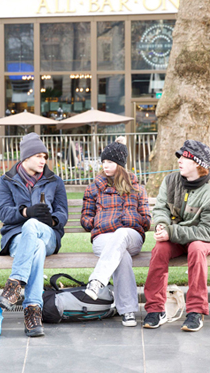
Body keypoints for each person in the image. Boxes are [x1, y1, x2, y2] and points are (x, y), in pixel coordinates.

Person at [142, 140, 210, 332]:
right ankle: (156, 309)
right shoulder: (170, 181)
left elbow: (208, 232)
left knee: (196, 249)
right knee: (160, 249)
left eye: (185, 157)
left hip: (200, 239)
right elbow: (161, 207)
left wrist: (172, 231)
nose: (179, 160)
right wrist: (162, 227)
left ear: (197, 163)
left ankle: (195, 311)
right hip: (175, 237)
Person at [0, 132, 68, 337]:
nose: (43, 160)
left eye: (45, 157)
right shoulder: (7, 181)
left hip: (48, 235)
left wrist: (52, 221)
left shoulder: (54, 181)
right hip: (18, 238)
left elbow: (63, 212)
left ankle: (14, 285)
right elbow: (4, 213)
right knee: (36, 245)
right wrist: (26, 213)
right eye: (39, 156)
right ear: (26, 157)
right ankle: (32, 311)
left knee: (34, 228)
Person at [80, 136, 151, 328]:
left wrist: (133, 220)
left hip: (131, 236)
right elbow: (86, 220)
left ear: (120, 164)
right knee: (123, 257)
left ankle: (97, 280)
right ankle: (128, 311)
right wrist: (98, 221)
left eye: (110, 162)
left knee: (121, 234)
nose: (105, 165)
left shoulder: (137, 188)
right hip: (103, 238)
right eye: (103, 162)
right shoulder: (94, 188)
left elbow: (147, 220)